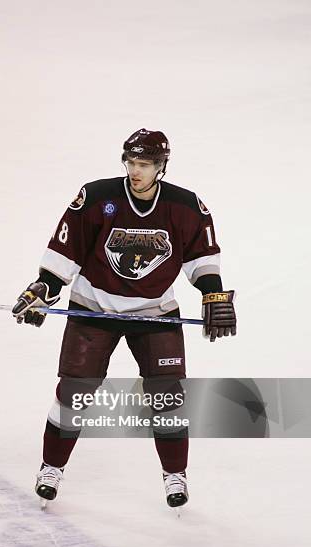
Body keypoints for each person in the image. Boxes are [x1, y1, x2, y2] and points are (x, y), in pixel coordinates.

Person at [12, 128, 236, 509]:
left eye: (144, 164)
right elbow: (67, 251)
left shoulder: (185, 207)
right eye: (131, 162)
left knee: (167, 398)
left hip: (154, 314)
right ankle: (51, 468)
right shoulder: (98, 198)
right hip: (93, 310)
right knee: (73, 394)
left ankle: (174, 475)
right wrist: (43, 289)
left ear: (160, 166)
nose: (136, 171)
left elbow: (201, 258)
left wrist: (212, 293)